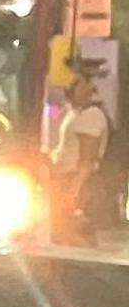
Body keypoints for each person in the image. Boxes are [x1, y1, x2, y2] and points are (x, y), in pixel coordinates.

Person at [52, 58, 111, 247]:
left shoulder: (91, 115)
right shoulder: (75, 113)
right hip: (67, 181)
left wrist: (73, 192)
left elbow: (86, 161)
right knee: (63, 238)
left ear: (89, 86)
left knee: (76, 240)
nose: (69, 89)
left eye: (75, 84)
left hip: (78, 184)